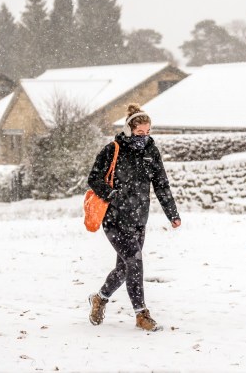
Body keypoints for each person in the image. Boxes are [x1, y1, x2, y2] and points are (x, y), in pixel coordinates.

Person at [87, 103, 181, 332]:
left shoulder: (151, 151)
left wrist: (172, 213)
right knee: (135, 261)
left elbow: (161, 184)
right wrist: (112, 195)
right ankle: (141, 314)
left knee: (125, 268)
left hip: (139, 219)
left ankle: (99, 298)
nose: (144, 138)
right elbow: (94, 178)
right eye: (140, 133)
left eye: (148, 133)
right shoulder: (113, 149)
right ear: (129, 130)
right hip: (114, 219)